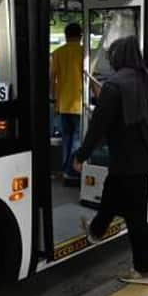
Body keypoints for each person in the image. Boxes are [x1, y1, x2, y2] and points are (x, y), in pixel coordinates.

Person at [73, 35, 148, 285]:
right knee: (112, 190)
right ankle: (96, 231)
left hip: (129, 159)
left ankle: (146, 271)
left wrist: (81, 155)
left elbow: (99, 126)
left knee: (136, 218)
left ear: (117, 57)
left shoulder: (114, 85)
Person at [51, 23, 84, 185]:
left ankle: (65, 170)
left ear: (66, 35)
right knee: (77, 138)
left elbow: (51, 78)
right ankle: (73, 171)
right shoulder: (84, 52)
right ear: (81, 35)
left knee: (66, 138)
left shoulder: (58, 53)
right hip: (79, 103)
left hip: (62, 103)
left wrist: (53, 99)